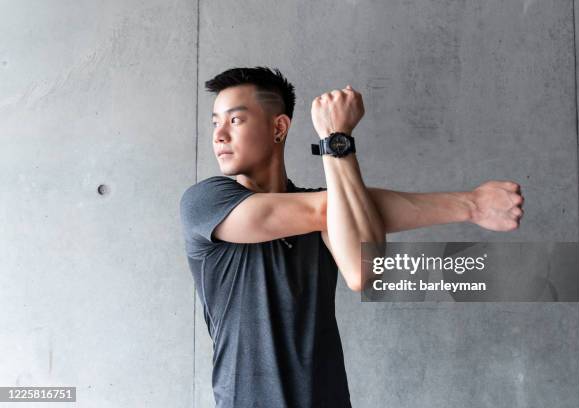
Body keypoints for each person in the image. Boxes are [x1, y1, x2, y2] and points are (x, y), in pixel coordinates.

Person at [179, 66, 524, 408]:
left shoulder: (330, 211)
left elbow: (362, 271)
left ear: (278, 128)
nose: (219, 135)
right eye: (215, 122)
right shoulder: (204, 203)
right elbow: (325, 209)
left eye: (235, 120)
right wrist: (334, 139)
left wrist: (474, 205)